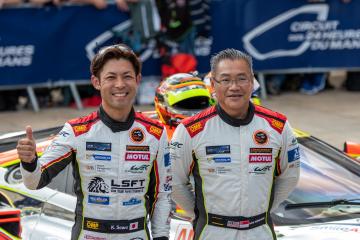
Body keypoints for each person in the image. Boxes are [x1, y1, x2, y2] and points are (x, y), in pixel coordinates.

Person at [16, 44, 171, 240]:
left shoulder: (155, 133)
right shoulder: (76, 131)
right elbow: (34, 181)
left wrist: (161, 237)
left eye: (127, 76)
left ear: (138, 80)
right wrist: (29, 162)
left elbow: (162, 195)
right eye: (111, 77)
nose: (120, 84)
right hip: (89, 234)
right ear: (96, 82)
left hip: (137, 234)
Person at [170, 48, 300, 240]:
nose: (234, 86)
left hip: (260, 230)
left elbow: (290, 177)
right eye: (226, 80)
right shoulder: (191, 129)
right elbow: (173, 181)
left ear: (251, 82)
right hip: (213, 231)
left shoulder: (278, 125)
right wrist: (199, 213)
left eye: (241, 78)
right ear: (213, 84)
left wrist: (261, 210)